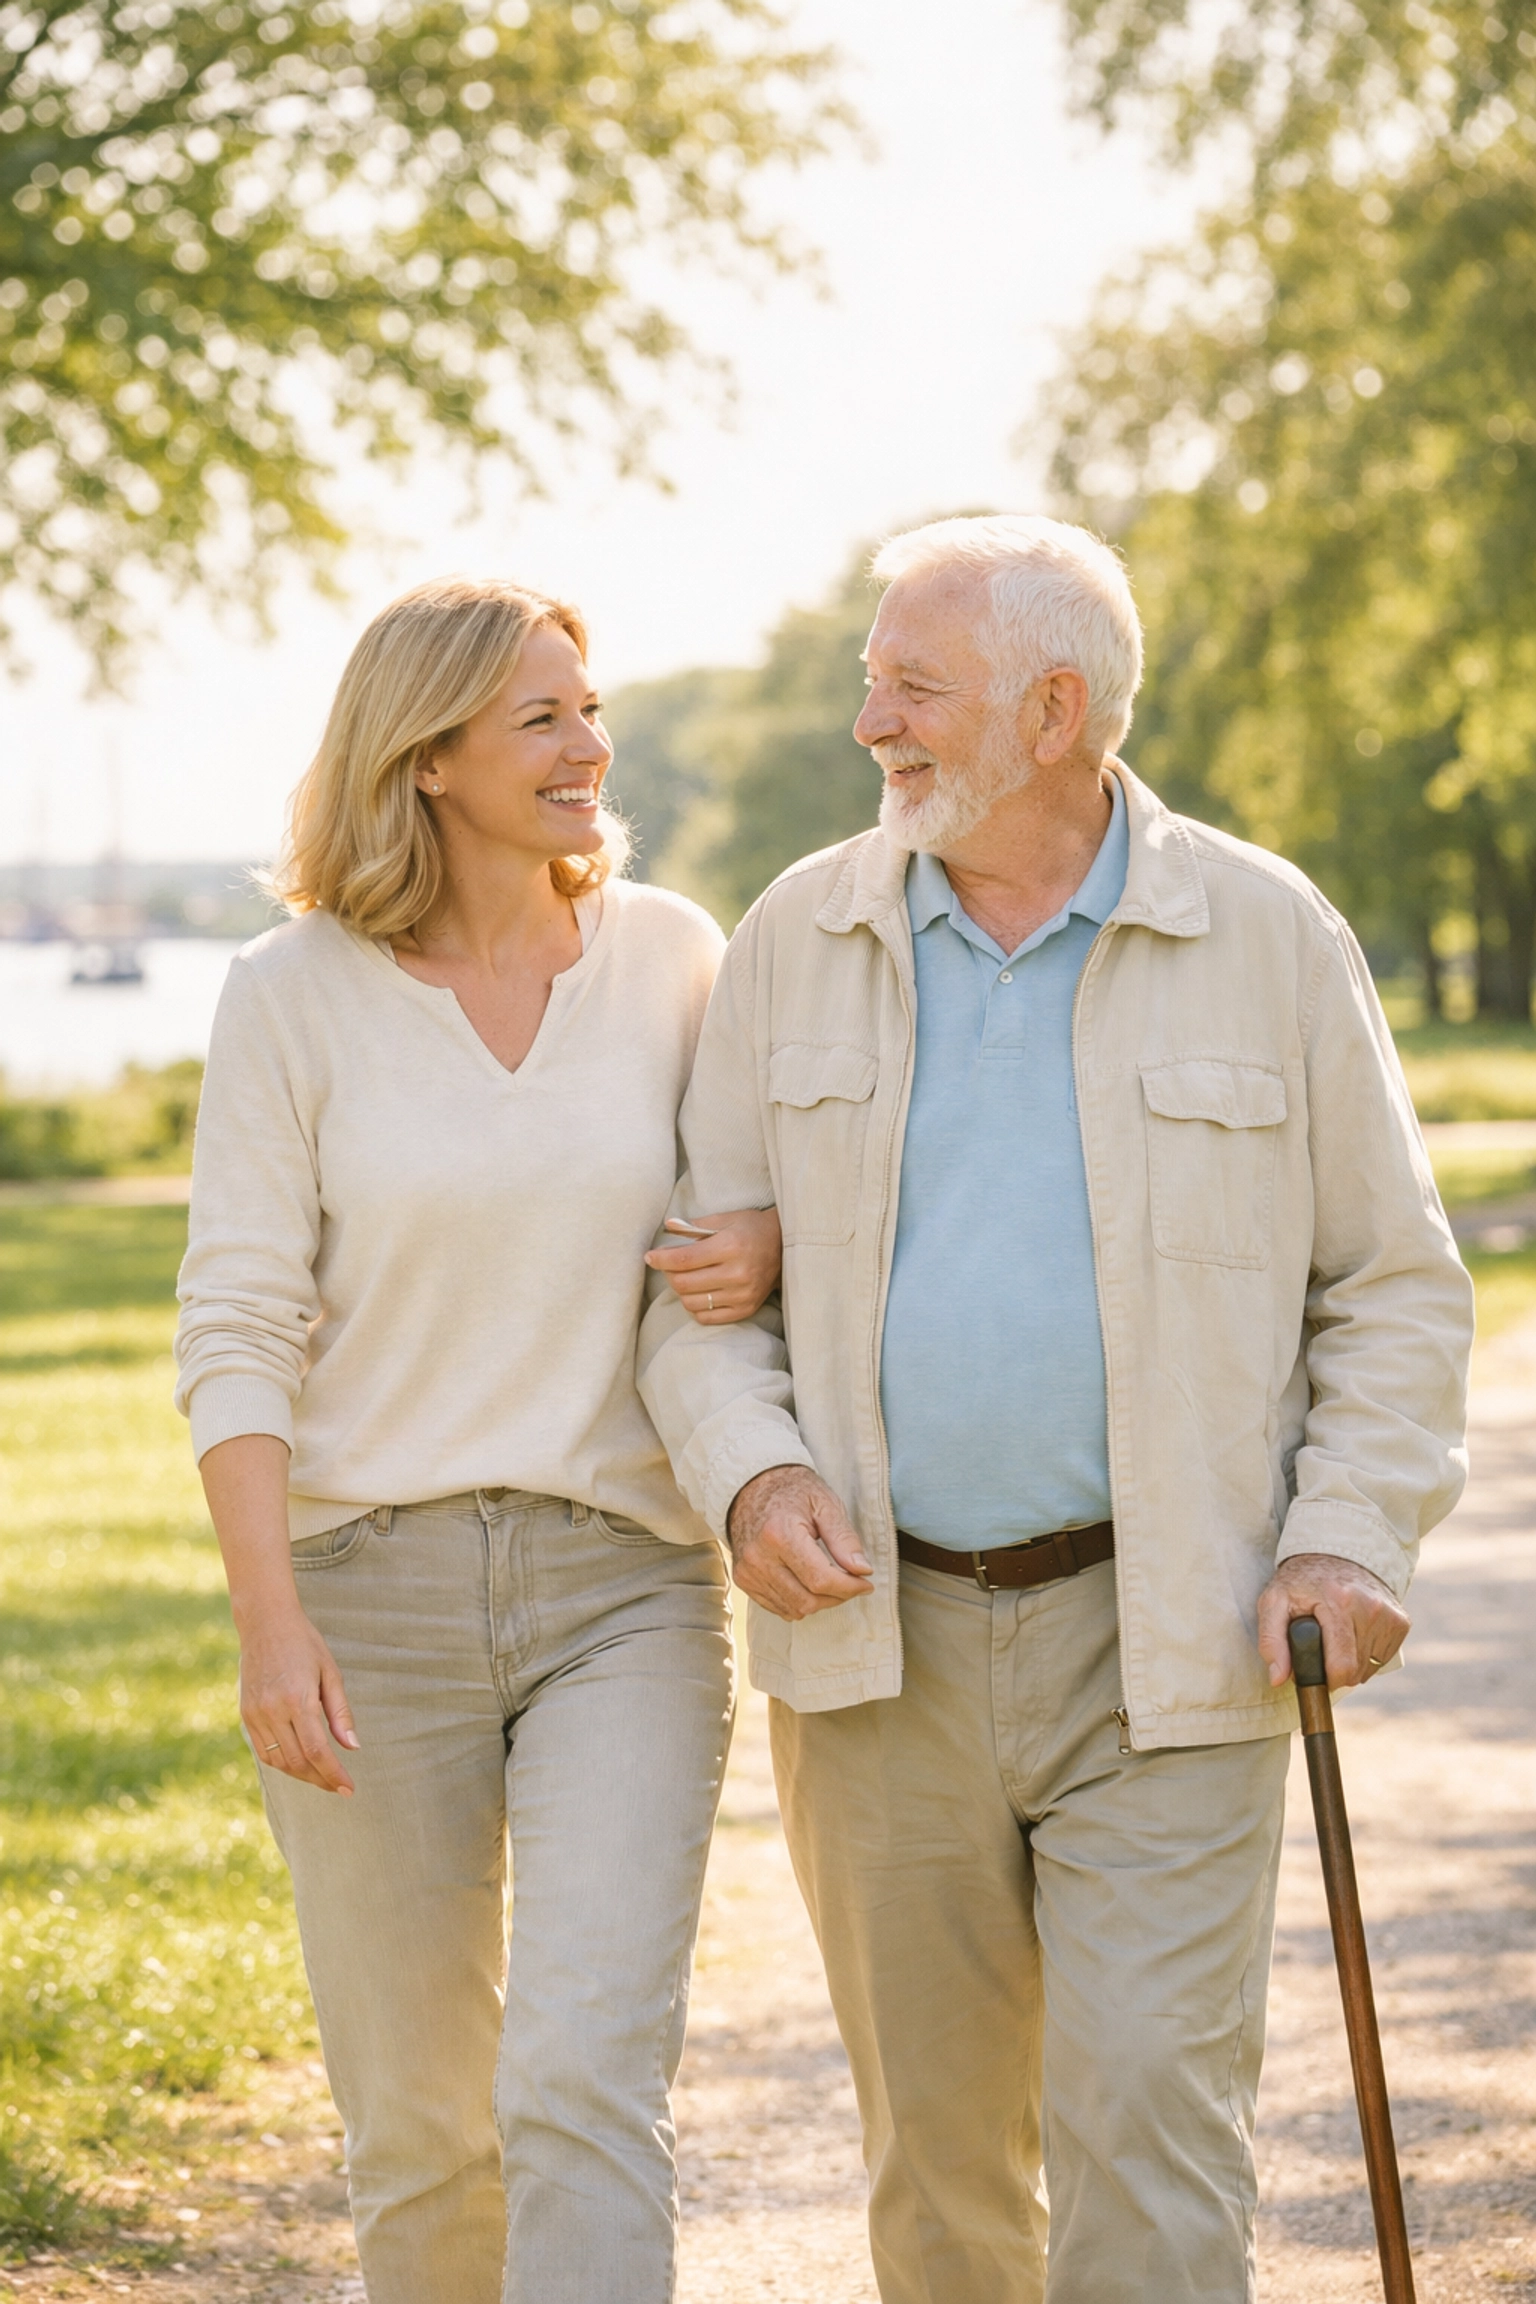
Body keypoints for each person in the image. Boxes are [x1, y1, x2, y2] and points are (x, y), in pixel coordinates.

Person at [638, 515, 1473, 2302]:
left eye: (911, 685)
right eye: (874, 678)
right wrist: (749, 1475)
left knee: (1153, 2137)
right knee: (938, 2170)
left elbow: (1392, 1285)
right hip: (877, 1643)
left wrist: (1344, 1536)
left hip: (1171, 1640)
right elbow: (695, 1296)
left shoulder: (1263, 931)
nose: (870, 721)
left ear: (1052, 706)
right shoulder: (798, 934)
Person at [174, 575, 782, 2304]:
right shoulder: (290, 993)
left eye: (590, 708)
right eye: (543, 717)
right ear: (426, 756)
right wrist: (268, 1620)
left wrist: (773, 1241)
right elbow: (234, 1319)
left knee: (584, 2077)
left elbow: (755, 1202)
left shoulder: (672, 956)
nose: (591, 745)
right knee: (424, 2126)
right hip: (369, 1597)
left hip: (624, 1591)